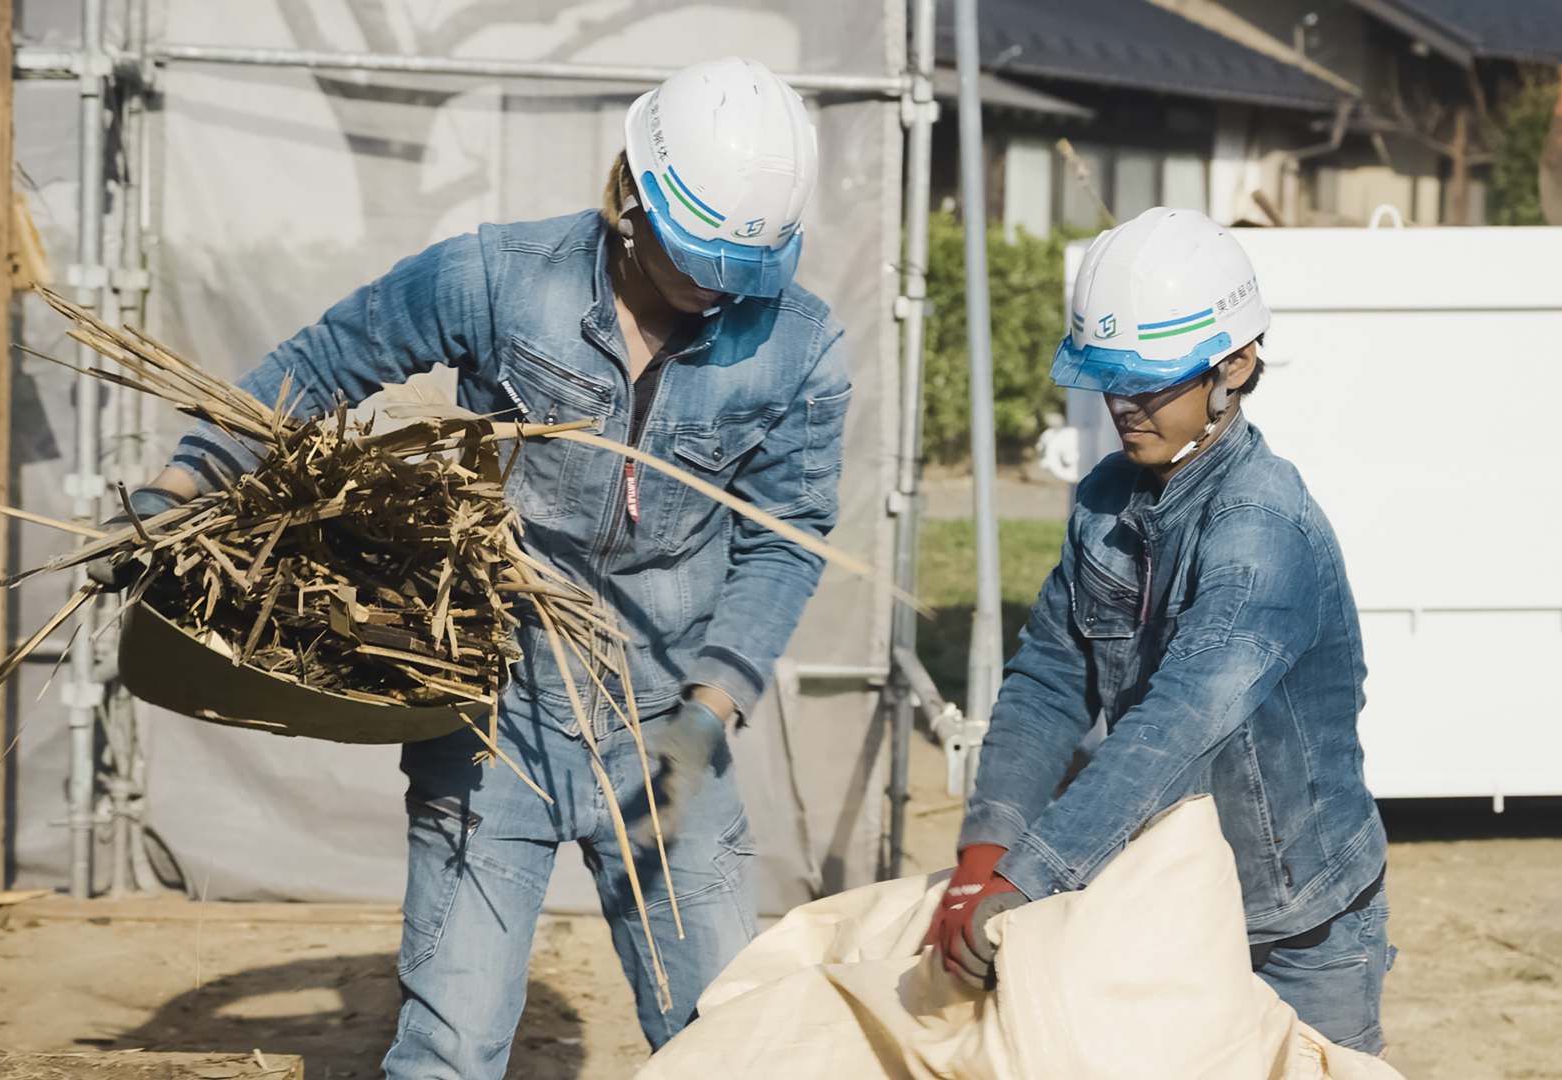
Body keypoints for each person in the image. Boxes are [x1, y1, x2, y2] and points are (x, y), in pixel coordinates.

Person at [103, 58, 849, 1076]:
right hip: (493, 711)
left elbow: (784, 534)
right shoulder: (503, 277)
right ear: (627, 193)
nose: (719, 288)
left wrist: (709, 713)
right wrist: (189, 481)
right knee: (449, 1049)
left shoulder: (798, 346)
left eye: (741, 269)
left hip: (667, 722)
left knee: (726, 1038)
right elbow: (322, 362)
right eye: (695, 258)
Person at [927, 208, 1392, 1054]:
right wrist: (984, 851)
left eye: (1152, 381)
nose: (1123, 404)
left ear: (1237, 364)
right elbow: (1047, 683)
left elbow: (1177, 723)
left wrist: (1030, 877)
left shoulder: (1263, 530)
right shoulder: (1108, 500)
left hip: (1292, 930)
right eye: (1110, 377)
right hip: (1164, 905)